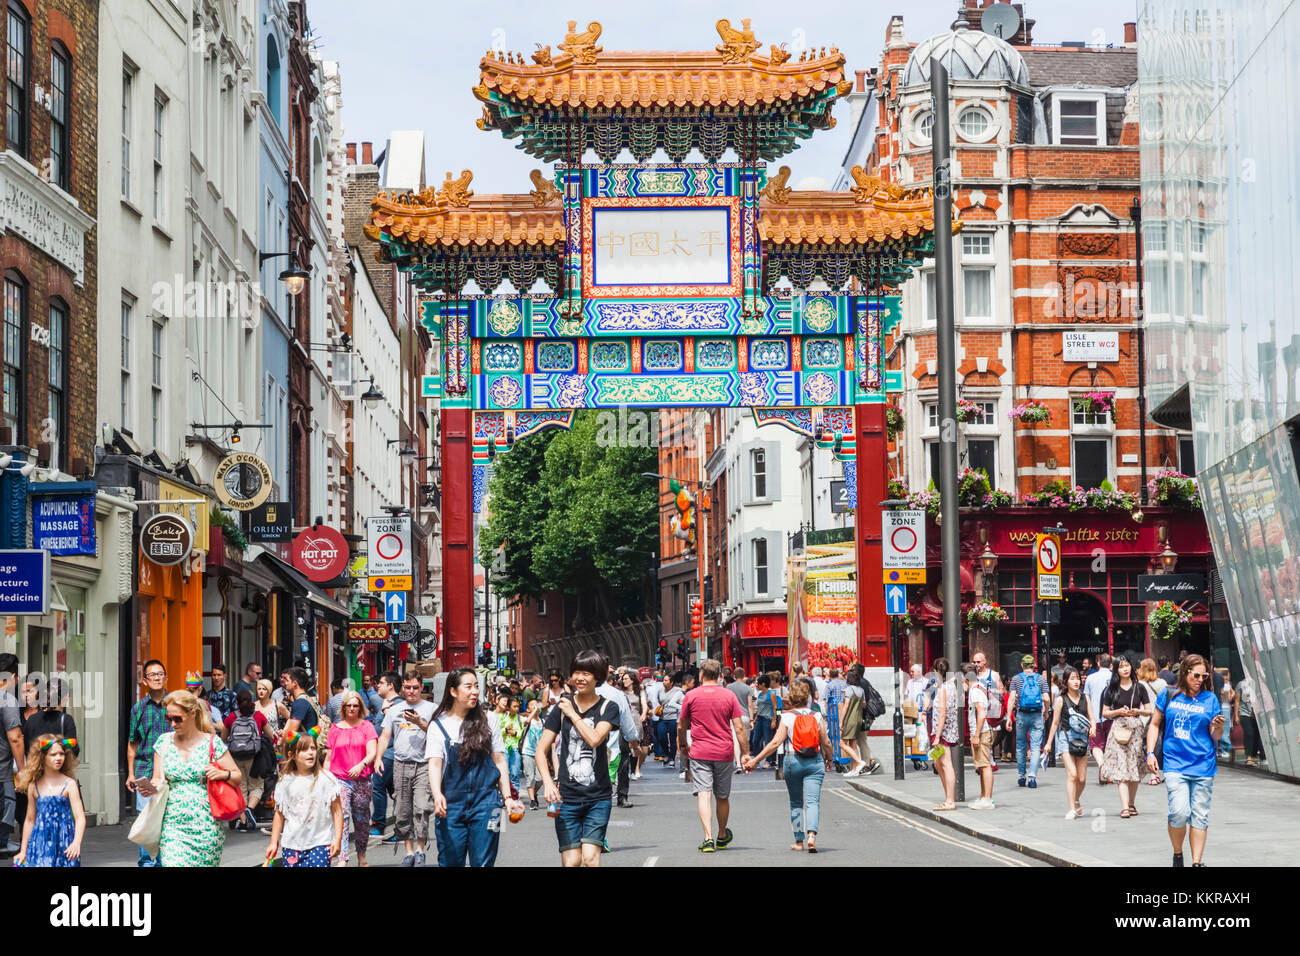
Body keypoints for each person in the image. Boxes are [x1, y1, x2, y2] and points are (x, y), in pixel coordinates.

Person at [427, 667, 523, 867]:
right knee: (450, 861)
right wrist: (437, 795)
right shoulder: (438, 725)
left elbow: (499, 760)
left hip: (488, 802)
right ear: (453, 691)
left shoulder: (490, 719)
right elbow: (435, 763)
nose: (475, 692)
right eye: (468, 687)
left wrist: (508, 798)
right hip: (451, 805)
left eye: (477, 686)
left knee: (484, 862)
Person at [536, 650, 620, 867]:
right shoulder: (560, 709)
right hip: (566, 798)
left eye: (586, 673)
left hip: (598, 798)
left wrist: (573, 714)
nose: (580, 678)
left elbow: (594, 739)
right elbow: (540, 750)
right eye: (576, 673)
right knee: (572, 861)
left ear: (598, 677)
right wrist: (547, 783)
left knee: (591, 859)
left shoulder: (608, 707)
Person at [1145, 654, 1224, 867]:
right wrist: (1150, 752)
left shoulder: (1210, 699)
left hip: (1203, 765)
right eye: (1195, 675)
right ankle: (1178, 853)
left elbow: (1215, 735)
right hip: (1175, 763)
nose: (1200, 679)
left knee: (1200, 816)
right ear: (1185, 672)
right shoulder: (1169, 695)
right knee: (1179, 812)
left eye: (1203, 675)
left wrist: (1218, 726)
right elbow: (1154, 725)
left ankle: (1197, 863)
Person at [150, 689, 241, 867]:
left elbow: (237, 776)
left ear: (192, 713)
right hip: (173, 825)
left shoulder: (212, 742)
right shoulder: (164, 742)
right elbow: (158, 779)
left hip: (206, 825)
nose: (173, 724)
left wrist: (223, 774)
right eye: (169, 719)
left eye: (178, 718)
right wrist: (149, 787)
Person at [745, 677, 832, 851]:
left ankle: (799, 841)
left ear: (792, 696)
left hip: (793, 762)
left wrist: (755, 760)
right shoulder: (816, 716)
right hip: (814, 761)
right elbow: (826, 742)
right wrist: (829, 758)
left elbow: (775, 743)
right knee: (813, 801)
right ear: (807, 696)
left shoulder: (787, 717)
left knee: (796, 802)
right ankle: (812, 835)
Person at [677, 659, 747, 852]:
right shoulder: (729, 695)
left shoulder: (691, 696)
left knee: (704, 794)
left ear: (701, 674)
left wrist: (683, 746)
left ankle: (708, 838)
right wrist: (746, 753)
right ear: (720, 675)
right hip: (724, 751)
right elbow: (739, 727)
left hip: (700, 752)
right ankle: (722, 835)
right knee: (722, 796)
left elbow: (682, 725)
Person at [374, 672, 437, 866]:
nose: (411, 691)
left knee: (422, 808)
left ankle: (420, 851)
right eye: (408, 687)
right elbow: (385, 736)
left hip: (423, 765)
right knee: (402, 810)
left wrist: (420, 723)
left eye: (415, 688)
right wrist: (377, 758)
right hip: (400, 764)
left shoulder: (431, 709)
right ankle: (409, 852)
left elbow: (437, 735)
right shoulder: (394, 709)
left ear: (421, 688)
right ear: (402, 688)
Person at [265, 731, 343, 867]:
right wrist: (273, 842)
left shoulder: (327, 779)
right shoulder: (285, 782)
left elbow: (337, 811)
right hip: (292, 845)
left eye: (313, 748)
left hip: (320, 843)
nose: (310, 753)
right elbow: (279, 814)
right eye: (304, 749)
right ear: (292, 755)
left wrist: (337, 839)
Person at [13, 735, 84, 867]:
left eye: (61, 754)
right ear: (42, 757)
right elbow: (29, 820)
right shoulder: (34, 786)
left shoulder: (69, 784)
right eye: (53, 754)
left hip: (65, 842)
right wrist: (23, 851)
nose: (58, 758)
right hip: (39, 842)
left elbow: (80, 817)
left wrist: (76, 842)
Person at [125, 659, 169, 866]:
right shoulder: (138, 709)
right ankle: (148, 863)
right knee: (146, 820)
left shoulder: (175, 704)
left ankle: (165, 861)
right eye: (153, 675)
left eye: (161, 674)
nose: (157, 678)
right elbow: (133, 743)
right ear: (144, 681)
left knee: (167, 820)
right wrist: (131, 774)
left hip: (171, 773)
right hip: (144, 772)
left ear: (166, 677)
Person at [327, 690, 378, 866]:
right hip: (340, 778)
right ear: (343, 707)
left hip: (362, 779)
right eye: (348, 705)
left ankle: (362, 855)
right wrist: (325, 778)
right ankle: (343, 858)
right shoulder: (335, 728)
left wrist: (361, 765)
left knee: (362, 819)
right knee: (343, 816)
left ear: (360, 707)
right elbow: (328, 756)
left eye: (355, 705)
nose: (351, 708)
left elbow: (372, 752)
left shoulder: (367, 727)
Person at [1099, 656, 1151, 819]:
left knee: (1133, 766)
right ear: (1116, 670)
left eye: (1127, 665)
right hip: (1118, 730)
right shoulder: (1111, 689)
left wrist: (1138, 712)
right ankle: (1124, 807)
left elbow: (1149, 710)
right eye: (1121, 667)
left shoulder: (1140, 687)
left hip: (1135, 730)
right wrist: (1118, 712)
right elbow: (1104, 712)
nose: (1125, 669)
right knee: (1122, 767)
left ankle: (1131, 804)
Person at [1044, 667, 1093, 819]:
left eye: (1077, 678)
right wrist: (1049, 743)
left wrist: (1094, 728)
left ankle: (1076, 799)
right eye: (1072, 678)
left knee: (1082, 778)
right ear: (1065, 681)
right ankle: (1072, 808)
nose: (1076, 681)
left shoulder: (1086, 698)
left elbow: (1092, 718)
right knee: (1072, 774)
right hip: (1066, 737)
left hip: (1083, 738)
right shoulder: (1060, 700)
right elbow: (1055, 723)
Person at [223, 689, 270, 833]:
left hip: (236, 757)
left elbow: (224, 739)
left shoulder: (231, 717)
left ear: (236, 702)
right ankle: (250, 809)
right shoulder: (259, 716)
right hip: (254, 757)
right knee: (257, 786)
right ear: (252, 701)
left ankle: (243, 822)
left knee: (241, 787)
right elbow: (270, 735)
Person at [1005, 654, 1047, 789]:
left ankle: (1021, 777)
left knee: (1021, 745)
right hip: (1036, 715)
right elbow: (1046, 697)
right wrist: (1046, 712)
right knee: (1035, 747)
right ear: (1034, 666)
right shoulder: (1041, 679)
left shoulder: (1016, 679)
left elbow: (1012, 698)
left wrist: (1008, 717)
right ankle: (1032, 778)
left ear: (1022, 665)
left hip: (1022, 714)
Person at [368, 670, 402, 836]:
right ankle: (404, 822)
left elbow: (396, 730)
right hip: (386, 752)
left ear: (390, 685)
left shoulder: (397, 705)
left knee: (378, 785)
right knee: (395, 790)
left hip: (391, 751)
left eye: (380, 683)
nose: (377, 686)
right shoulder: (386, 703)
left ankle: (378, 824)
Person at [963, 666, 995, 809]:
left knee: (985, 765)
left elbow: (981, 714)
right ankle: (983, 797)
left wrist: (976, 735)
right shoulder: (980, 686)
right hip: (981, 731)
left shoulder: (975, 691)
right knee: (982, 766)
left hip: (981, 732)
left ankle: (987, 799)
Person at [930, 658, 960, 811]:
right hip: (945, 730)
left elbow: (942, 714)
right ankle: (947, 798)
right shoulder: (949, 686)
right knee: (937, 763)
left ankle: (950, 800)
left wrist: (936, 736)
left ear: (936, 671)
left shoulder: (943, 689)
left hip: (943, 732)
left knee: (946, 764)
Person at [1083, 653, 1114, 781]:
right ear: (1111, 664)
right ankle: (1109, 770)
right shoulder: (1115, 677)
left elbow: (1086, 697)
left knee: (1096, 745)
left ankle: (1101, 764)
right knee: (1110, 745)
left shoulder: (1091, 678)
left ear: (1098, 663)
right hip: (1112, 716)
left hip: (1095, 716)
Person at [971, 652, 1004, 769]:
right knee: (982, 734)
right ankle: (989, 761)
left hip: (991, 710)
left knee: (990, 736)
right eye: (974, 662)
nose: (976, 664)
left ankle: (989, 759)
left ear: (985, 661)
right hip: (977, 710)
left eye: (978, 662)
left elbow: (1001, 691)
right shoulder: (971, 675)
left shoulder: (993, 675)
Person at [1137, 658, 1167, 784]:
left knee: (1145, 746)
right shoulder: (1162, 683)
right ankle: (1156, 773)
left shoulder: (1139, 684)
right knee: (1157, 745)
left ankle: (1151, 774)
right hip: (1158, 718)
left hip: (1143, 718)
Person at [621, 671, 648, 779]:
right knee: (626, 746)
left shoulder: (639, 692)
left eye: (626, 679)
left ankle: (633, 770)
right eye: (623, 679)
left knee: (635, 746)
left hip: (636, 720)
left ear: (632, 680)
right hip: (623, 720)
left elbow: (644, 704)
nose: (624, 681)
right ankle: (626, 770)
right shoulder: (621, 693)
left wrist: (644, 713)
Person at [280, 667, 321, 740]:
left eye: (287, 680)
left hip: (304, 747)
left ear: (295, 683)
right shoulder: (306, 699)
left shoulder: (300, 702)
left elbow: (292, 733)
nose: (285, 683)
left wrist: (281, 744)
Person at [725, 668, 754, 769]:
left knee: (735, 740)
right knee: (745, 739)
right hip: (745, 715)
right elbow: (750, 705)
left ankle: (737, 763)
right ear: (743, 675)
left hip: (733, 716)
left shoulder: (728, 687)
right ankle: (744, 760)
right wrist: (751, 720)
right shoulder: (748, 688)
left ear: (734, 675)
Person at [750, 674, 781, 769]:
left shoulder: (771, 694)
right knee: (755, 740)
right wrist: (755, 720)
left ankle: (768, 760)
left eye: (758, 684)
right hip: (760, 719)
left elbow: (775, 708)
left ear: (763, 684)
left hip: (768, 719)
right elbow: (760, 708)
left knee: (768, 740)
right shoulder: (760, 694)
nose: (757, 686)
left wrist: (774, 720)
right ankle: (757, 759)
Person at [656, 673, 684, 769]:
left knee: (672, 739)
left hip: (673, 718)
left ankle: (672, 759)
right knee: (661, 737)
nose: (663, 682)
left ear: (671, 682)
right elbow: (659, 701)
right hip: (662, 718)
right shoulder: (660, 690)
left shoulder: (678, 691)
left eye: (666, 680)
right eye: (663, 680)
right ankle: (666, 754)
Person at [521, 699, 546, 809]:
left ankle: (534, 793)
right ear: (528, 709)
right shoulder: (527, 720)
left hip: (539, 753)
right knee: (530, 777)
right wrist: (533, 711)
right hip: (527, 752)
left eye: (536, 704)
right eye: (532, 705)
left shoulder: (542, 721)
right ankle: (532, 801)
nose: (535, 706)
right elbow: (526, 722)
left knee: (540, 779)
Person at [497, 694, 525, 792]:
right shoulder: (502, 717)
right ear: (508, 707)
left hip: (515, 748)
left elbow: (522, 733)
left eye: (518, 707)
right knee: (504, 773)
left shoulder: (520, 719)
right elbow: (497, 732)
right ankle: (504, 794)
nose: (516, 709)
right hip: (504, 748)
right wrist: (505, 730)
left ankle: (515, 795)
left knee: (515, 773)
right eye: (514, 706)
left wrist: (515, 733)